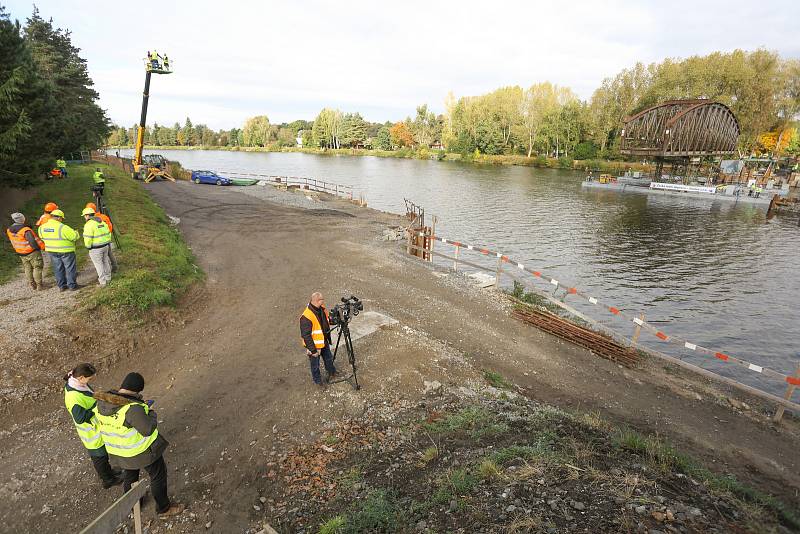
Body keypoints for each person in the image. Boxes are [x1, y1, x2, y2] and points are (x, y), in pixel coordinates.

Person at [94, 373, 184, 518]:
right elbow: (147, 429)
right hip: (140, 451)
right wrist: (151, 413)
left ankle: (134, 505)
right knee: (158, 475)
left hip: (119, 451)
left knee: (130, 477)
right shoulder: (132, 408)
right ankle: (164, 509)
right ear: (137, 391)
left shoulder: (102, 403)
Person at [63, 363, 123, 489]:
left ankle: (109, 473)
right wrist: (96, 408)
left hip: (96, 430)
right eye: (89, 379)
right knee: (100, 457)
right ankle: (108, 480)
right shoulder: (74, 397)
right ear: (81, 377)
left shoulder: (77, 384)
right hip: (91, 434)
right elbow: (79, 419)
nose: (90, 381)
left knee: (103, 456)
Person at [300, 292, 337, 387]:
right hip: (314, 346)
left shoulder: (322, 308)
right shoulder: (306, 317)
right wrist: (313, 350)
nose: (323, 301)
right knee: (315, 366)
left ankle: (332, 372)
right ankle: (318, 381)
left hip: (323, 341)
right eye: (322, 299)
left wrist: (334, 320)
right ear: (317, 301)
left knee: (328, 358)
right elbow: (306, 335)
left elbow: (326, 320)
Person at [37, 209, 80, 291]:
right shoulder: (63, 227)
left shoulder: (42, 227)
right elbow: (74, 237)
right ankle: (72, 286)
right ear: (59, 218)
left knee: (57, 268)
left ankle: (62, 286)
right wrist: (76, 232)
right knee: (69, 268)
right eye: (62, 219)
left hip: (52, 251)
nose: (62, 220)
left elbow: (42, 237)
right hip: (66, 251)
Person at [5, 212, 45, 290]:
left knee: (27, 268)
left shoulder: (9, 230)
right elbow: (32, 242)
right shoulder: (26, 230)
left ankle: (32, 283)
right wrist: (37, 248)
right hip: (32, 252)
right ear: (23, 219)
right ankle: (39, 285)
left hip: (21, 252)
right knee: (37, 267)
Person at [82, 207, 113, 287]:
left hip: (96, 249)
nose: (85, 218)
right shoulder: (101, 222)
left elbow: (87, 238)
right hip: (105, 246)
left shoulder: (88, 225)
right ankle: (108, 278)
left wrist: (88, 247)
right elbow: (108, 233)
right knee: (105, 262)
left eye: (85, 216)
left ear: (87, 215)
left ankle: (103, 282)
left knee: (98, 265)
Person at [86, 202, 117, 272]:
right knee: (109, 253)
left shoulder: (92, 220)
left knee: (101, 259)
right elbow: (110, 226)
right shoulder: (104, 216)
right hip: (107, 238)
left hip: (98, 241)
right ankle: (114, 266)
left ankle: (103, 273)